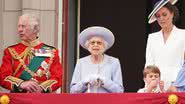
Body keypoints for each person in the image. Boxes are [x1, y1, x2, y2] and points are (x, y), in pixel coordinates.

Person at [0, 13, 63, 93]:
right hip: (18, 99)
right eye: (18, 26)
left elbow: (57, 78)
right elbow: (3, 76)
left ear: (35, 29)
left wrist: (41, 88)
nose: (20, 29)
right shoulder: (11, 51)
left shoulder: (51, 51)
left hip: (41, 98)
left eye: (23, 26)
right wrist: (22, 84)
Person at [70, 26, 124, 93]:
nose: (95, 45)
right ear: (88, 46)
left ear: (104, 46)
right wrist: (84, 82)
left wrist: (104, 81)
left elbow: (119, 91)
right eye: (92, 42)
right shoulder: (81, 62)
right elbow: (73, 91)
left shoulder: (114, 62)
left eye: (99, 43)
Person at [145, 0, 185, 90]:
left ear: (172, 14)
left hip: (178, 85)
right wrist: (149, 85)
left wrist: (178, 84)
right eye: (158, 16)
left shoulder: (183, 35)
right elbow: (149, 65)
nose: (161, 18)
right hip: (157, 85)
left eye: (164, 14)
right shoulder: (152, 38)